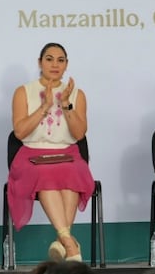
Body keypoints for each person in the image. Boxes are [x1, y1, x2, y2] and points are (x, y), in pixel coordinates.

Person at [9, 42, 96, 262]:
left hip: (67, 154)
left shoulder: (76, 94)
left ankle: (62, 241)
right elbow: (19, 132)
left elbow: (79, 134)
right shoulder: (23, 92)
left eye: (60, 60)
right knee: (47, 175)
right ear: (40, 62)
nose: (55, 64)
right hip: (31, 156)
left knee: (74, 172)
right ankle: (70, 244)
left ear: (66, 65)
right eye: (49, 59)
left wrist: (65, 104)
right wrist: (45, 106)